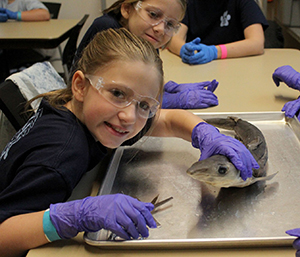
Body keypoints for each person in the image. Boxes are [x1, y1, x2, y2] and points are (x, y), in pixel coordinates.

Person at [0, 28, 259, 257]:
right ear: (80, 85)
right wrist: (73, 217)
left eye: (144, 105)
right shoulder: (61, 155)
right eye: (117, 93)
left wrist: (204, 133)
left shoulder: (90, 114)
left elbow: (166, 121)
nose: (129, 117)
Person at [73, 0, 219, 110]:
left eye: (169, 25)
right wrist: (171, 100)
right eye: (153, 15)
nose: (160, 29)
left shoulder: (146, 40)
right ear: (127, 9)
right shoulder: (107, 29)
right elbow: (118, 99)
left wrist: (167, 89)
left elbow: (139, 85)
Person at [167, 0, 269, 65]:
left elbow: (257, 44)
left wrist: (215, 52)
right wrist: (184, 50)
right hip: (195, 69)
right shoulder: (188, 3)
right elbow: (174, 38)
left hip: (235, 67)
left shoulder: (244, 2)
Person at [0, 0, 50, 82]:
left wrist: (15, 15)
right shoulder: (3, 2)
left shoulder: (24, 1)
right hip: (6, 47)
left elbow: (44, 14)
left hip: (26, 48)